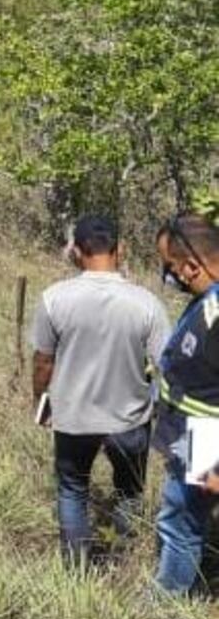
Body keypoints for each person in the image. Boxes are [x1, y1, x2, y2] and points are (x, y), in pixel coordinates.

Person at [30, 214, 170, 567]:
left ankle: (77, 568)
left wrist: (41, 401)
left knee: (72, 490)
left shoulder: (53, 299)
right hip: (130, 419)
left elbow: (43, 361)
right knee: (129, 491)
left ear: (76, 252)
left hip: (73, 417)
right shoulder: (146, 303)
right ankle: (121, 559)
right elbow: (167, 366)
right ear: (121, 250)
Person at [151, 213, 219, 594]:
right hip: (191, 433)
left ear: (193, 266)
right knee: (180, 515)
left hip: (208, 437)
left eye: (171, 267)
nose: (169, 274)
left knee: (180, 522)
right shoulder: (206, 300)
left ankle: (167, 603)